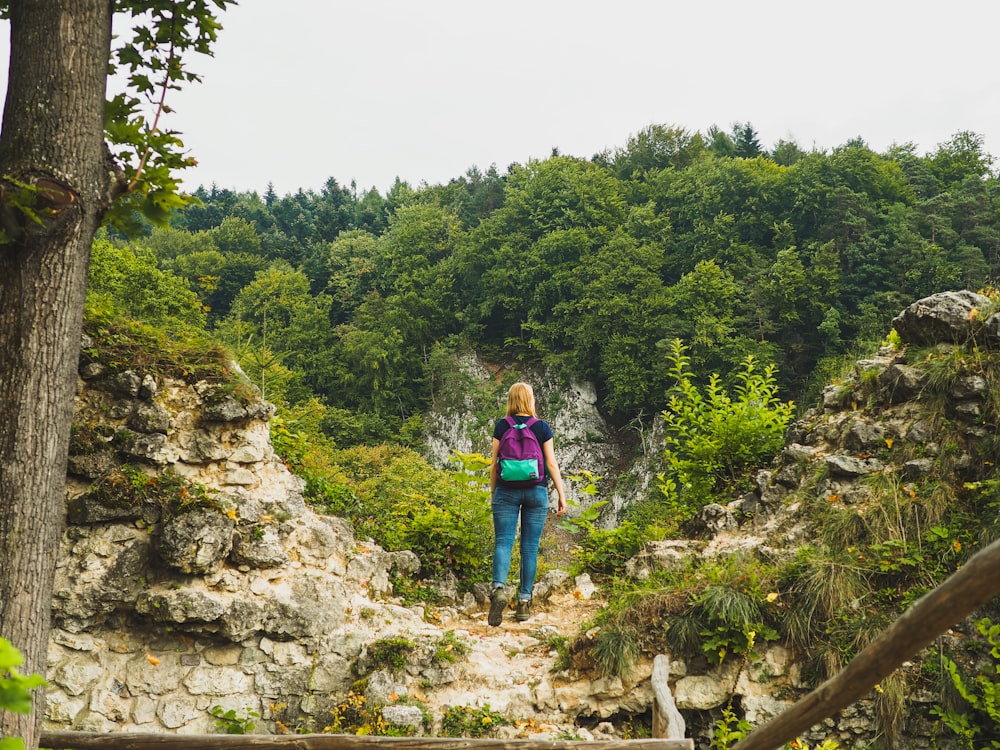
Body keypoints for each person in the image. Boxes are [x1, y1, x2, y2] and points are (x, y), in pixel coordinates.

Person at [488, 382, 566, 626]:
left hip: (506, 491)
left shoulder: (502, 426)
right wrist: (561, 494)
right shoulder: (542, 427)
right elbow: (551, 463)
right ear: (531, 400)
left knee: (503, 542)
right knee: (529, 548)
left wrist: (494, 493)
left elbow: (494, 463)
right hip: (536, 491)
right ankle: (523, 602)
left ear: (511, 400)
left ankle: (499, 589)